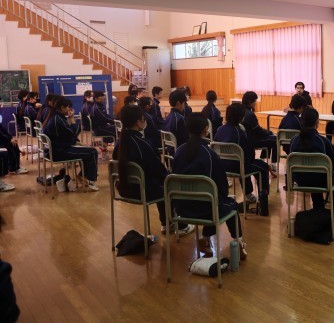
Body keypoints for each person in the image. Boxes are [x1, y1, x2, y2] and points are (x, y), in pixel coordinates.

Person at [172, 115, 247, 259]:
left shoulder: (179, 151)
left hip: (181, 209)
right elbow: (222, 186)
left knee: (211, 201)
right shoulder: (209, 154)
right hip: (206, 210)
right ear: (206, 129)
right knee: (229, 204)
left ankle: (206, 240)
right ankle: (238, 241)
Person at [113, 105, 194, 237]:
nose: (145, 121)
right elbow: (159, 170)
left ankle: (167, 223)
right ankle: (181, 226)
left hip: (124, 189)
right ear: (138, 122)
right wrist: (172, 176)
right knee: (172, 184)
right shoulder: (142, 144)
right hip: (141, 191)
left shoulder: (119, 143)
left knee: (160, 183)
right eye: (143, 118)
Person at [214, 103, 270, 214]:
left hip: (222, 167)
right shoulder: (240, 132)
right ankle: (262, 200)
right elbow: (249, 155)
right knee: (263, 167)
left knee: (242, 163)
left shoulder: (220, 129)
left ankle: (249, 194)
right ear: (241, 117)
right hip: (238, 167)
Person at [289, 108, 334, 211]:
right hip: (320, 180)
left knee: (312, 174)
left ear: (301, 121)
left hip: (300, 180)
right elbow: (333, 165)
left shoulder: (294, 140)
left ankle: (318, 208)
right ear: (317, 122)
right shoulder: (324, 141)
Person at [43, 97, 99, 191]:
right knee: (92, 152)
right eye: (68, 107)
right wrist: (72, 119)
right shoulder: (58, 120)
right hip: (58, 152)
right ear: (62, 107)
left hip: (54, 150)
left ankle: (84, 176)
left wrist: (76, 142)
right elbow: (72, 133)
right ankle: (90, 180)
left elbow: (67, 136)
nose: (70, 109)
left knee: (87, 150)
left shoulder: (55, 117)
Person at [241, 91, 278, 176]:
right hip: (252, 140)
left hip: (244, 139)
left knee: (269, 136)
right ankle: (273, 164)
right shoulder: (250, 114)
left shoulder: (240, 110)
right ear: (250, 102)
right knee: (275, 139)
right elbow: (258, 130)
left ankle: (263, 158)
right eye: (255, 101)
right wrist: (269, 132)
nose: (256, 103)